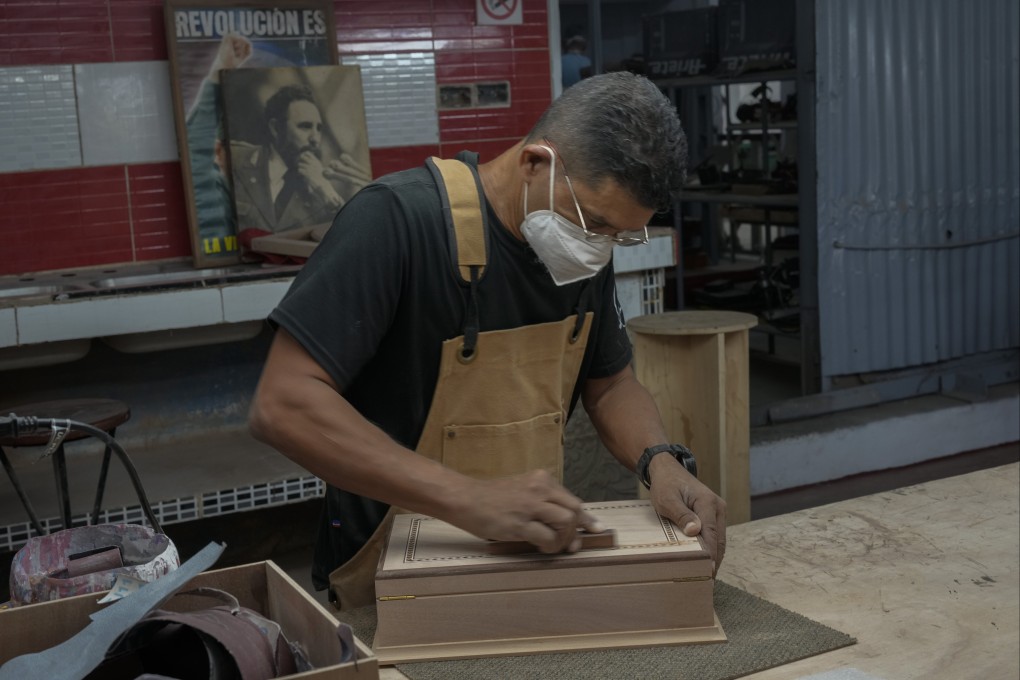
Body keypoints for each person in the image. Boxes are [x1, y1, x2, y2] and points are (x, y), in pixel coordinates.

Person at [249, 72, 726, 610]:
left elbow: (611, 384)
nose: (600, 248)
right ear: (534, 163)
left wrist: (660, 461)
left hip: (527, 558)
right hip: (392, 572)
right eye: (594, 224)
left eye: (618, 235)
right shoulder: (397, 220)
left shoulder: (580, 247)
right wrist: (468, 497)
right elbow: (282, 404)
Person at [230, 84, 371, 233]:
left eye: (319, 129)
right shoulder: (236, 158)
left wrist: (326, 191)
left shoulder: (322, 194)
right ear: (276, 128)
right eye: (305, 127)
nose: (315, 139)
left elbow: (349, 239)